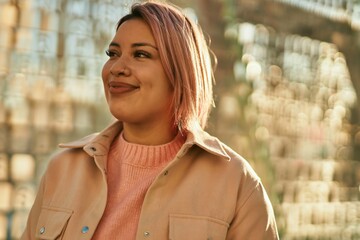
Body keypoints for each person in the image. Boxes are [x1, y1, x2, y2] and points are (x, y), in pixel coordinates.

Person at [21, 1, 279, 239]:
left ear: (180, 71)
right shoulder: (62, 169)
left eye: (141, 54)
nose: (117, 68)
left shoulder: (237, 183)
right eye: (112, 53)